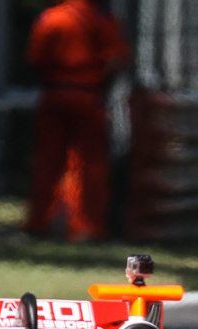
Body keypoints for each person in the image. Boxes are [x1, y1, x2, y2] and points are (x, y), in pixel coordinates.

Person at [23, 0, 129, 242]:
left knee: (46, 163)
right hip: (88, 95)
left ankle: (38, 222)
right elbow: (116, 58)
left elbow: (35, 58)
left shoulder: (51, 17)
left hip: (54, 93)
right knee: (89, 166)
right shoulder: (99, 18)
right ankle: (86, 227)